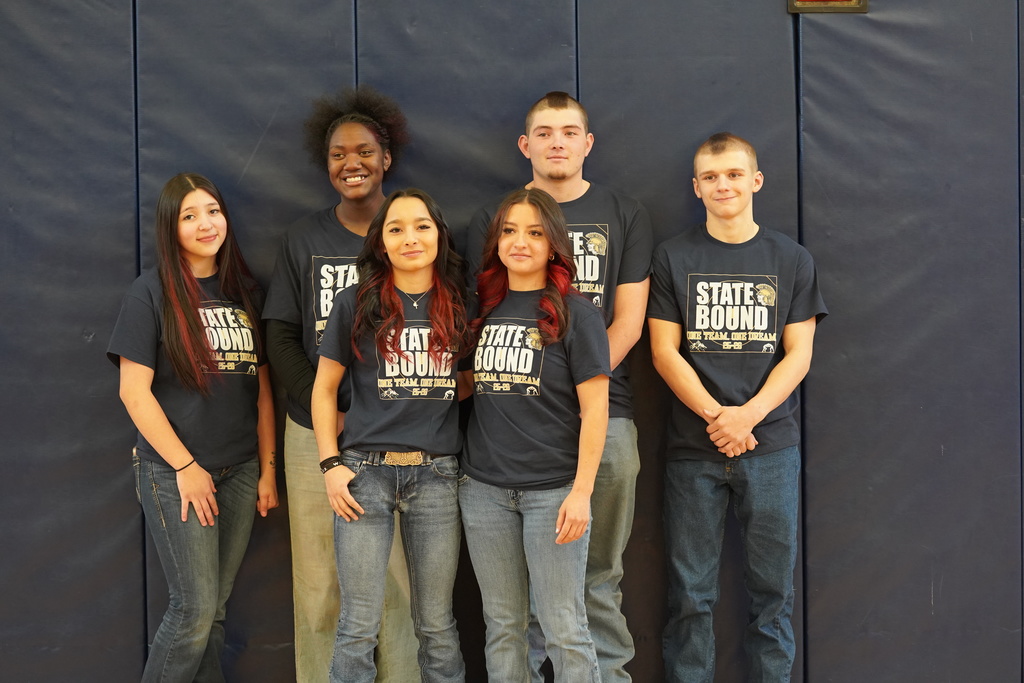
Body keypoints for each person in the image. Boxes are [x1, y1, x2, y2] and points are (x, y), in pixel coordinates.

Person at [464, 90, 652, 682]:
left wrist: (567, 384)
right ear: (526, 145)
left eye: (569, 132)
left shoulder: (622, 218)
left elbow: (629, 320)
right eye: (544, 133)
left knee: (590, 587)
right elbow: (474, 367)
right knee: (508, 621)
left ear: (587, 142)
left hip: (594, 427)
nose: (557, 143)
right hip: (497, 467)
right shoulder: (490, 260)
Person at [647, 132, 827, 682]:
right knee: (690, 597)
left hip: (771, 448)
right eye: (710, 176)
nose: (722, 184)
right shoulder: (674, 256)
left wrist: (746, 416)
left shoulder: (791, 258)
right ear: (696, 187)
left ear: (756, 181)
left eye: (732, 174)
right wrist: (717, 417)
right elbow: (663, 351)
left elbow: (798, 355)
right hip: (691, 450)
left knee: (773, 596)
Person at [261, 86, 420, 682]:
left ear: (386, 159)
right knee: (320, 585)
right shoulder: (305, 240)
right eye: (336, 154)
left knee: (399, 589)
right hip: (313, 435)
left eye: (363, 151)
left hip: (400, 435)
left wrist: (379, 414)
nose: (350, 163)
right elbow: (279, 340)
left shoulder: (413, 234)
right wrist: (327, 411)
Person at [108, 172, 279, 681]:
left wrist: (267, 471)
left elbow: (263, 393)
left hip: (240, 470)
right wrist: (185, 466)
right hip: (175, 473)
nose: (206, 224)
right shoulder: (152, 292)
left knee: (214, 610)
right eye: (190, 215)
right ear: (170, 227)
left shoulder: (245, 290)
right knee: (193, 610)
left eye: (213, 210)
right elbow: (133, 392)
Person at [310, 189, 471, 683]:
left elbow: (468, 382)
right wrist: (331, 466)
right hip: (365, 476)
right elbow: (323, 390)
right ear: (381, 242)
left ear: (439, 234)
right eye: (395, 228)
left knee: (437, 624)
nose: (409, 238)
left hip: (437, 477)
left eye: (421, 226)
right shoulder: (355, 304)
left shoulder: (461, 304)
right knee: (358, 624)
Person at [460, 188, 610, 682]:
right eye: (508, 231)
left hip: (554, 494)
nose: (519, 241)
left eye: (534, 232)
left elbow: (596, 410)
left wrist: (581, 492)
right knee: (503, 625)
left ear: (553, 245)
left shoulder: (576, 314)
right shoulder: (484, 309)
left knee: (564, 626)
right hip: (484, 491)